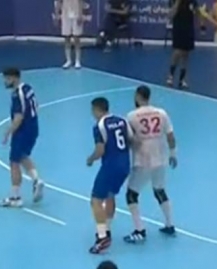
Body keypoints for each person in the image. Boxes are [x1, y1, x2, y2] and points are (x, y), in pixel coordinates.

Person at [123, 85, 177, 243]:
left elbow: (129, 139)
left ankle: (139, 230)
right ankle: (169, 224)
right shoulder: (162, 113)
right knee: (160, 190)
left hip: (142, 160)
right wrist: (173, 154)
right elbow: (171, 136)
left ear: (137, 96)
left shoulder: (131, 116)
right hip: (160, 159)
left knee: (131, 194)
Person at [86, 97, 132, 254]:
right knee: (110, 195)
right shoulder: (122, 121)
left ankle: (102, 237)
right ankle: (107, 229)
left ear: (96, 109)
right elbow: (131, 140)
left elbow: (100, 150)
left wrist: (90, 159)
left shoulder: (99, 126)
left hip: (110, 166)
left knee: (96, 200)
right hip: (125, 165)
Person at [0, 68, 45, 207]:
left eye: (7, 79)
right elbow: (37, 106)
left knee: (14, 162)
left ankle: (15, 197)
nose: (5, 82)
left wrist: (8, 132)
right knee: (23, 156)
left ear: (14, 78)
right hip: (34, 127)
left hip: (22, 131)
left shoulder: (16, 95)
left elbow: (18, 117)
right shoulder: (28, 88)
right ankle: (36, 180)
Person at [167, 0, 202, 89]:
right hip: (178, 28)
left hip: (188, 28)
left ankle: (182, 80)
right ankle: (171, 76)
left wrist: (201, 24)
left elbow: (197, 11)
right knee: (177, 52)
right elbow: (170, 15)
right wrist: (177, 3)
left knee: (186, 54)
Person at [56, 0, 84, 69]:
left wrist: (80, 14)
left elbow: (80, 2)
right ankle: (68, 60)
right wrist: (57, 14)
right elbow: (59, 2)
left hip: (76, 13)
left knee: (76, 37)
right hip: (65, 14)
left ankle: (77, 61)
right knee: (66, 37)